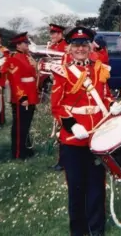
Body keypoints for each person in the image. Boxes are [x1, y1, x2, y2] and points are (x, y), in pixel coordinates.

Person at [50, 26, 121, 236]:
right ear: (70, 48)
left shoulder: (99, 68)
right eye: (76, 45)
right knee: (77, 189)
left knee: (97, 187)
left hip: (98, 138)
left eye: (84, 44)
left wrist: (111, 105)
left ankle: (97, 230)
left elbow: (105, 95)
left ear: (90, 46)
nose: (80, 48)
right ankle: (79, 232)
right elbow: (57, 106)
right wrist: (72, 124)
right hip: (73, 140)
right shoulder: (63, 72)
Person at [0, 32, 38, 159]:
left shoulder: (27, 56)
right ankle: (17, 152)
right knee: (19, 126)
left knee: (26, 124)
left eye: (27, 43)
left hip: (31, 93)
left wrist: (35, 66)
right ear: (18, 45)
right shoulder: (14, 57)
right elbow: (15, 79)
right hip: (22, 96)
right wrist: (22, 97)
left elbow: (33, 75)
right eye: (25, 43)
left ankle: (26, 148)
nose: (27, 45)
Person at [48, 23, 69, 171]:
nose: (52, 36)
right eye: (51, 34)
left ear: (61, 34)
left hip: (65, 88)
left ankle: (64, 160)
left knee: (64, 124)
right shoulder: (52, 47)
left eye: (55, 33)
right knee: (59, 123)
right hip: (56, 85)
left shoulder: (66, 48)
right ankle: (62, 159)